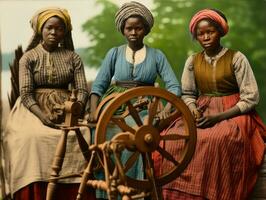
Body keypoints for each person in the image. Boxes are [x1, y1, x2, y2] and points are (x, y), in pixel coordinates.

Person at [155, 8, 266, 200]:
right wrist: (192, 108)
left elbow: (251, 97)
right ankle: (178, 193)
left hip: (234, 111)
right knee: (178, 136)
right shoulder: (193, 61)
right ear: (196, 37)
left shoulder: (236, 58)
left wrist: (219, 117)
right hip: (202, 107)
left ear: (220, 32)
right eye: (201, 34)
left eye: (210, 32)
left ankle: (215, 192)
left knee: (219, 138)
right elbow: (188, 93)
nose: (205, 37)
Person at [86, 1, 181, 199]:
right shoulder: (114, 53)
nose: (134, 32)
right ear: (123, 30)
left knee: (136, 132)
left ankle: (134, 188)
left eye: (138, 28)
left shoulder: (157, 55)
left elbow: (174, 86)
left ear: (145, 30)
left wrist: (166, 109)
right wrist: (94, 110)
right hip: (114, 105)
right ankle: (110, 188)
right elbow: (98, 86)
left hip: (144, 106)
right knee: (101, 129)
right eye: (129, 28)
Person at [3, 7, 96, 200]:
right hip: (32, 108)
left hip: (68, 106)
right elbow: (26, 94)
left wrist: (76, 108)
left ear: (65, 32)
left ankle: (76, 191)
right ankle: (34, 192)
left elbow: (81, 90)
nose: (54, 33)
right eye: (49, 28)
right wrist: (43, 117)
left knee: (84, 135)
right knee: (31, 137)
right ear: (40, 30)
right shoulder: (28, 58)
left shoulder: (73, 57)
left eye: (59, 29)